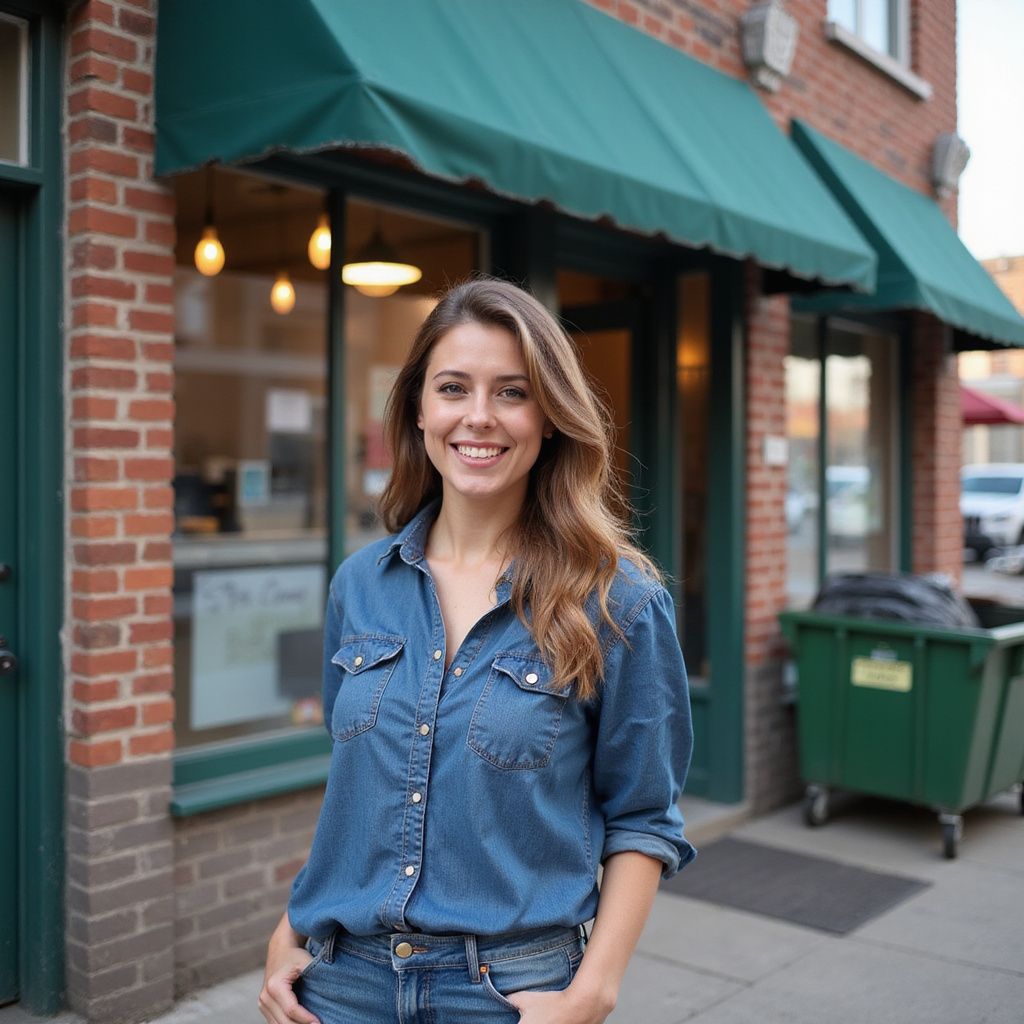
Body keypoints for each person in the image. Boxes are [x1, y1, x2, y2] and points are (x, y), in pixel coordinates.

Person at [259, 278, 695, 1024]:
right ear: (420, 410)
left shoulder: (619, 601)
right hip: (340, 984)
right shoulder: (360, 585)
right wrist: (285, 933)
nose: (479, 417)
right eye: (453, 388)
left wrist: (594, 990)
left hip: (507, 993)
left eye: (512, 392)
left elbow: (645, 818)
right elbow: (358, 786)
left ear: (550, 416)